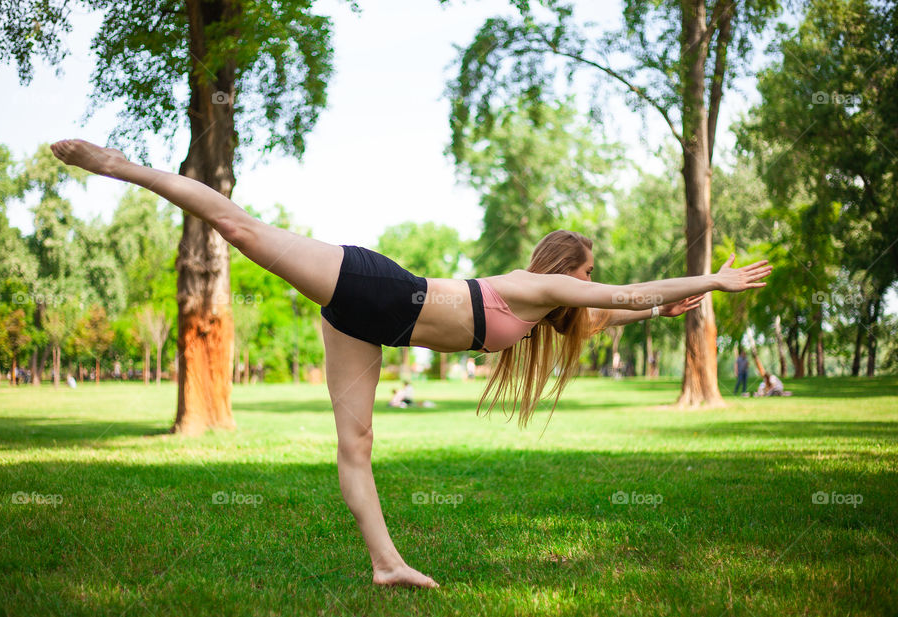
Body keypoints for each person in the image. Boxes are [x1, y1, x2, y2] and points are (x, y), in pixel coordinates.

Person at [49, 139, 772, 588]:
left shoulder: (548, 313)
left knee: (356, 445)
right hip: (376, 287)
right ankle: (117, 164)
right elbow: (623, 291)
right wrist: (707, 281)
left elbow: (616, 307)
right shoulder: (538, 287)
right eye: (588, 271)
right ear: (567, 267)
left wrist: (658, 310)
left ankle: (386, 563)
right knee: (242, 229)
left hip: (368, 326)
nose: (589, 282)